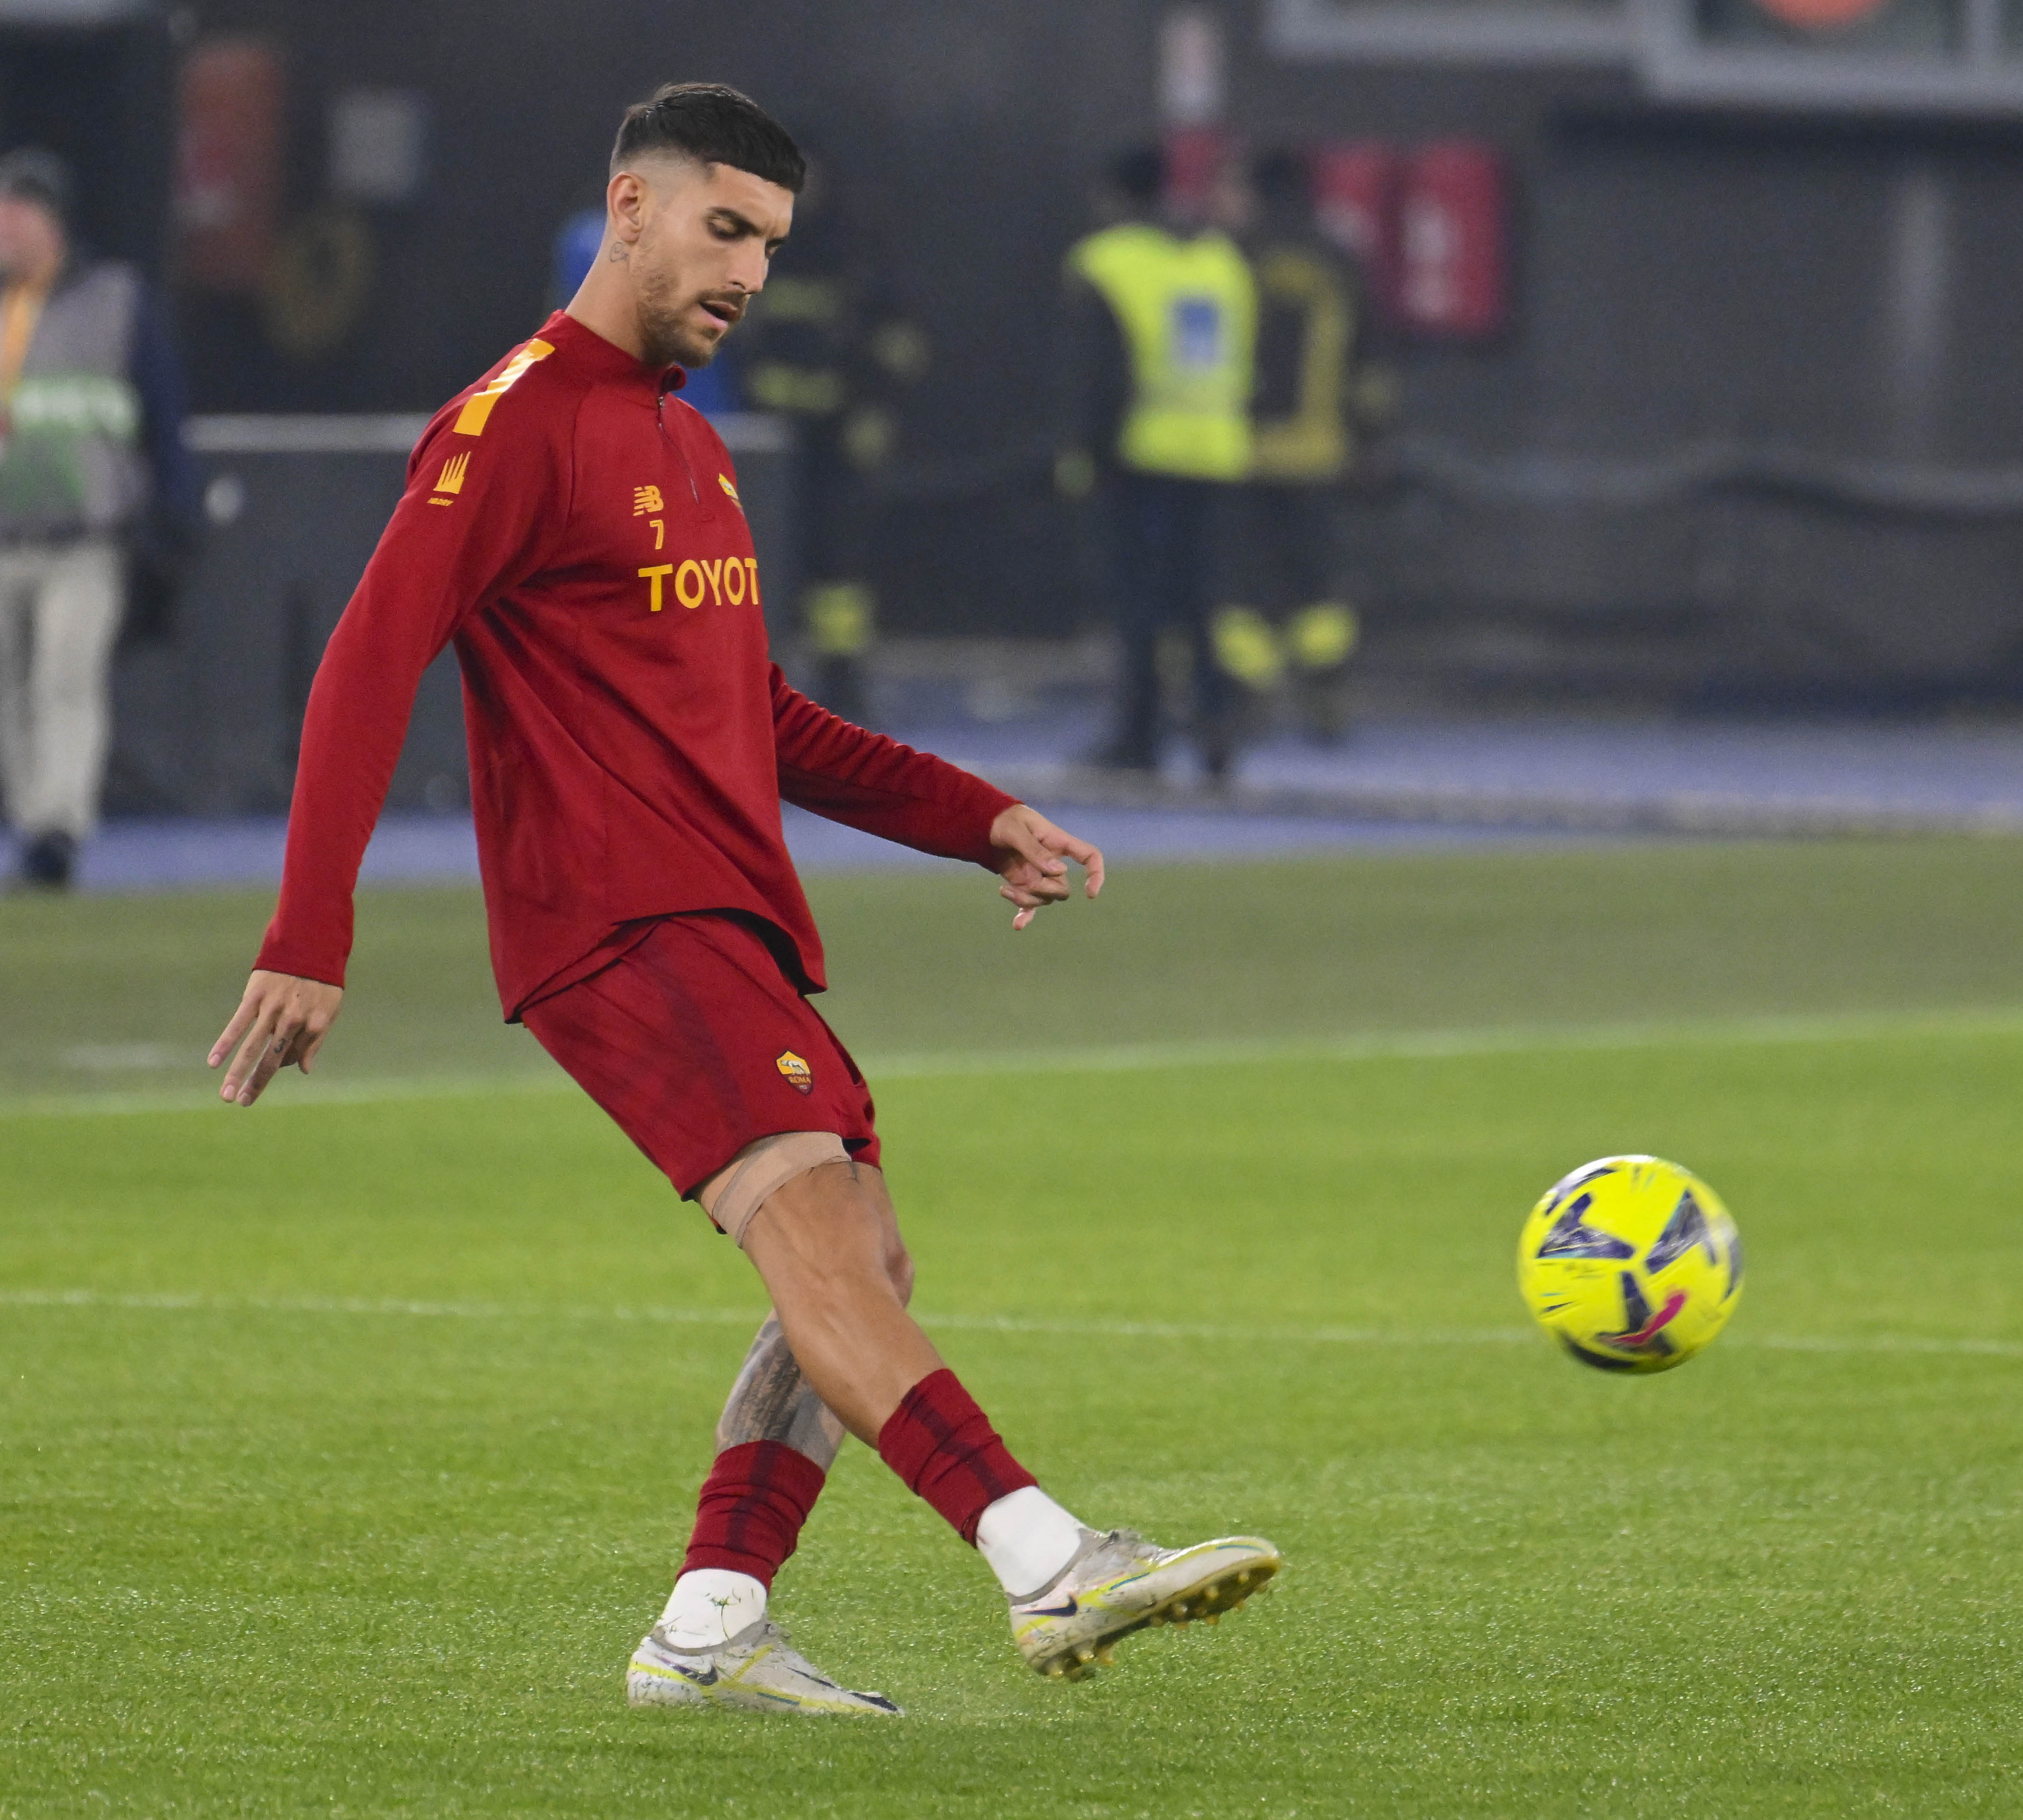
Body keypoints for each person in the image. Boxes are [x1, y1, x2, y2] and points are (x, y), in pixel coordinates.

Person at [206, 83, 1278, 1719]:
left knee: (864, 1253)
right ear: (628, 209)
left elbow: (757, 716)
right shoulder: (509, 424)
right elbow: (367, 659)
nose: (751, 275)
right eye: (726, 231)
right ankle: (1043, 1551)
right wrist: (308, 932)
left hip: (724, 922)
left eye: (770, 245)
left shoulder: (687, 441)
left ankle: (710, 1622)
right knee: (808, 1226)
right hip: (621, 925)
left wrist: (966, 812)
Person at [0, 147, 200, 889]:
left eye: (13, 215)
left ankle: (58, 828)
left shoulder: (114, 300)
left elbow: (164, 410)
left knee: (66, 675)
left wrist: (177, 509)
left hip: (86, 537)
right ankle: (31, 826)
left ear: (50, 222)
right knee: (11, 685)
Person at [1059, 145, 1256, 779]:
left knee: (1139, 603)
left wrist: (1085, 455)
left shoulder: (1105, 263)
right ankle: (1216, 725)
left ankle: (1138, 739)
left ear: (1114, 195)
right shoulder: (1221, 260)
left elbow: (1097, 376)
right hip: (1219, 451)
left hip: (1141, 455)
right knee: (1201, 601)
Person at [732, 156, 931, 718]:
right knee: (752, 562)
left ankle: (842, 686)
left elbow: (898, 343)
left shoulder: (857, 251)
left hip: (835, 434)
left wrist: (875, 412)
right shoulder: (750, 244)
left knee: (836, 562)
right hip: (764, 438)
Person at [1209, 147, 1391, 747]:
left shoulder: (1231, 254)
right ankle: (1326, 692)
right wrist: (1370, 439)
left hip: (1242, 449)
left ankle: (1246, 697)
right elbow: (1369, 360)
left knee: (1242, 583)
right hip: (1320, 450)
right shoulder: (1339, 258)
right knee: (1318, 582)